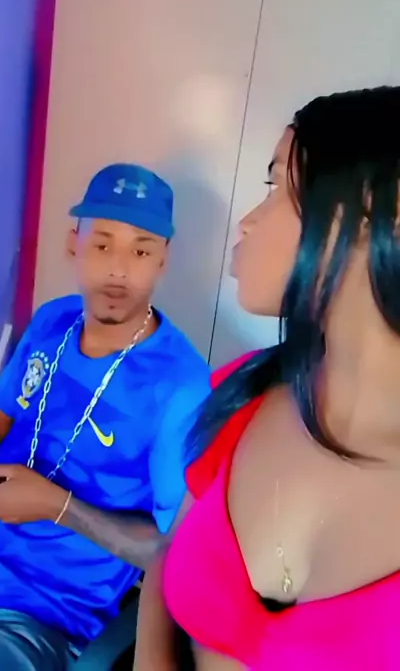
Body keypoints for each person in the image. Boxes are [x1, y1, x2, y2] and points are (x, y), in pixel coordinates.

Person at [134, 86, 400, 671]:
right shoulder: (242, 393)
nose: (249, 221)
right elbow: (168, 555)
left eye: (278, 185)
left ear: (380, 213)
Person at [0, 163, 211, 670]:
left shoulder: (180, 388)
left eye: (141, 250)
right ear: (73, 244)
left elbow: (175, 552)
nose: (118, 269)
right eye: (102, 244)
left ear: (164, 259)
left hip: (39, 613)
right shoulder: (52, 321)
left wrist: (57, 507)